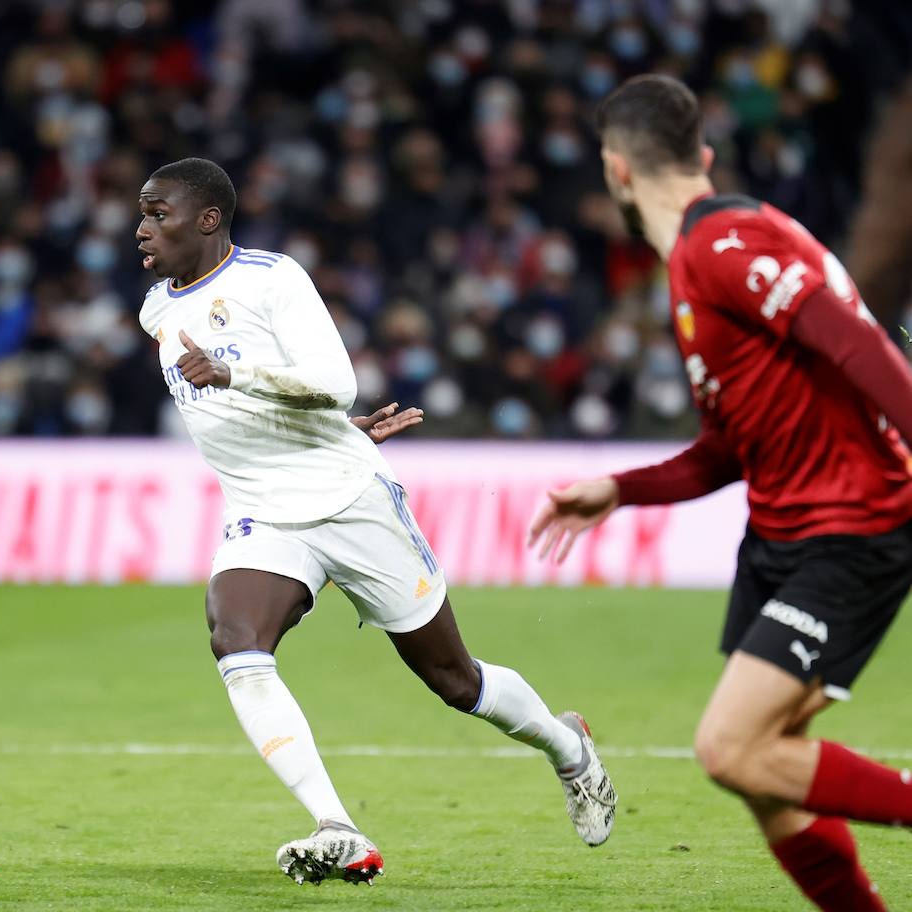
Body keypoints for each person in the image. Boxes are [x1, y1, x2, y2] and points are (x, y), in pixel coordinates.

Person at [135, 157, 616, 886]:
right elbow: (256, 411)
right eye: (142, 213)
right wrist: (318, 422)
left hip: (350, 500)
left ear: (207, 219)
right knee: (235, 640)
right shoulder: (156, 310)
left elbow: (335, 382)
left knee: (456, 682)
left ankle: (569, 749)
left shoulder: (273, 279)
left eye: (157, 213)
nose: (142, 228)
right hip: (263, 511)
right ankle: (340, 827)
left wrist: (274, 394)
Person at [528, 75, 912, 912]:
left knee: (730, 749)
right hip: (782, 532)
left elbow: (861, 345)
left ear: (616, 172)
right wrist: (618, 489)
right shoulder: (710, 257)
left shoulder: (727, 248)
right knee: (771, 776)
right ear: (698, 156)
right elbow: (728, 450)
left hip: (848, 526)